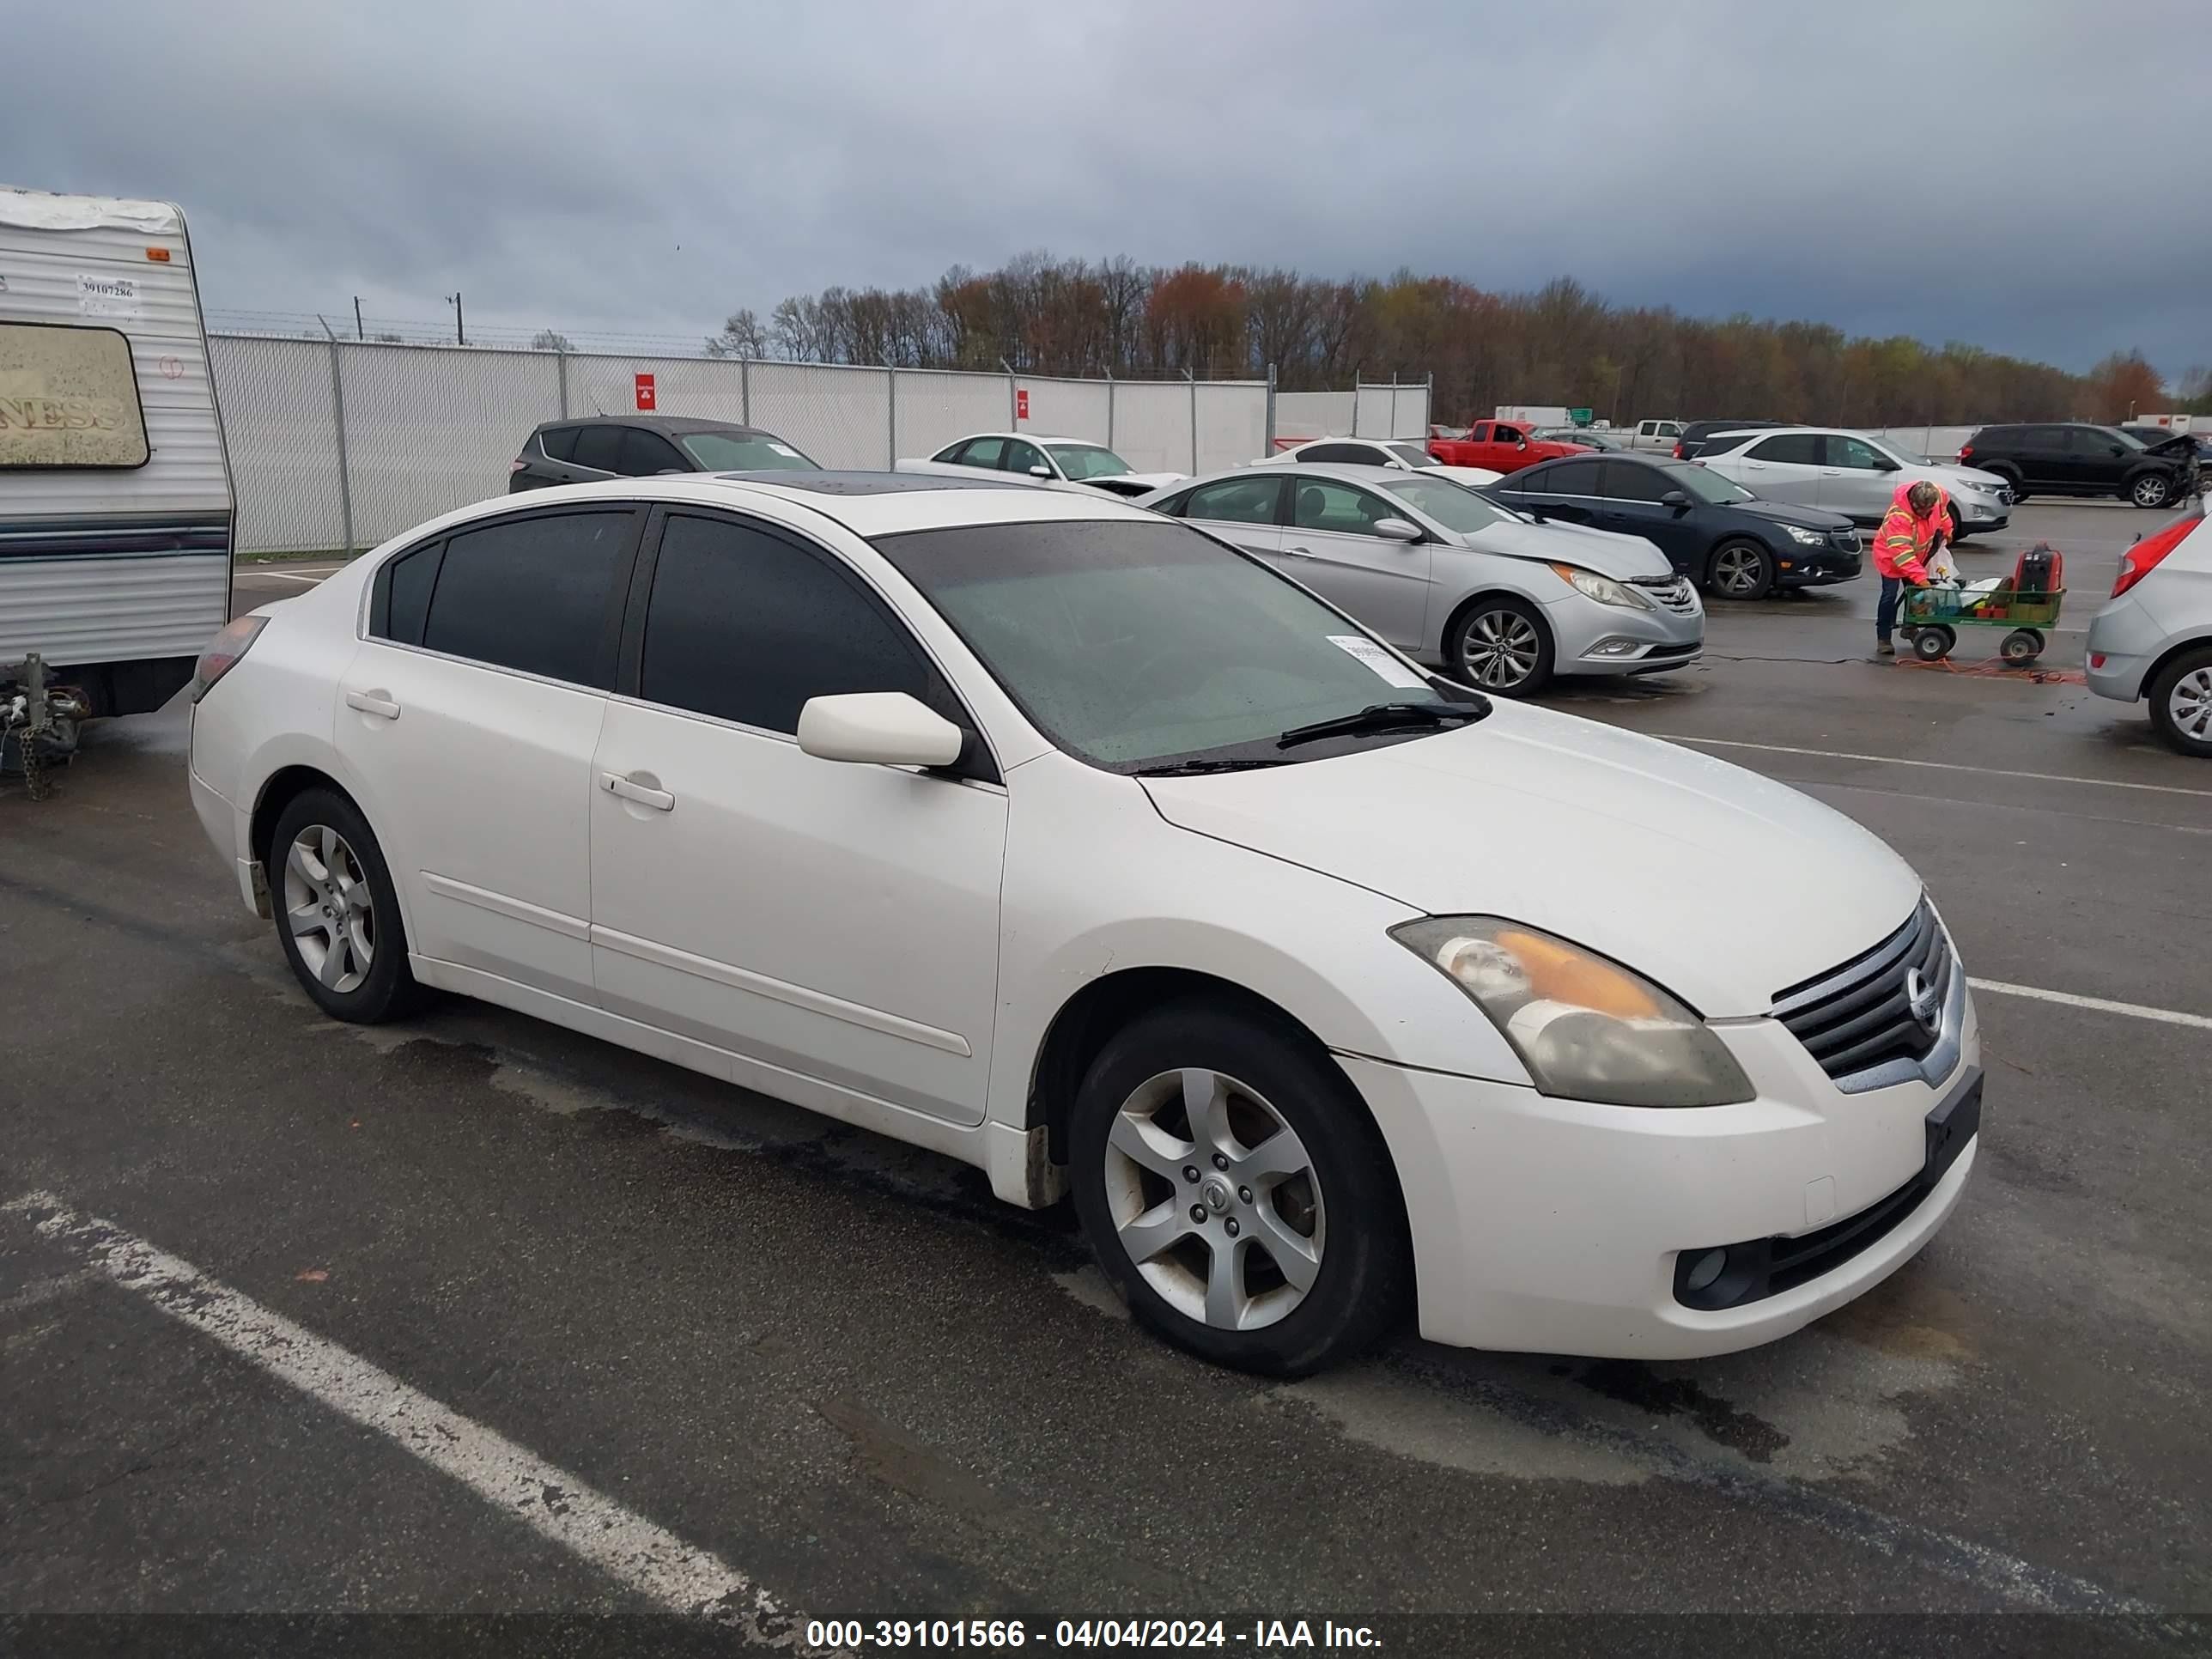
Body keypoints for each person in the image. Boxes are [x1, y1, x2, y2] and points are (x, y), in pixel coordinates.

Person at [1873, 478, 1948, 656]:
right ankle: (1883, 637)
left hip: (1916, 556)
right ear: (1913, 503)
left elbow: (1943, 515)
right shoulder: (1899, 518)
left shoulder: (1938, 497)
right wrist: (1921, 578)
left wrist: (1948, 530)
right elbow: (1902, 555)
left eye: (1927, 510)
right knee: (1889, 596)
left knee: (1914, 594)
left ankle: (1910, 627)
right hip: (1890, 558)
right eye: (1920, 510)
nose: (1924, 513)